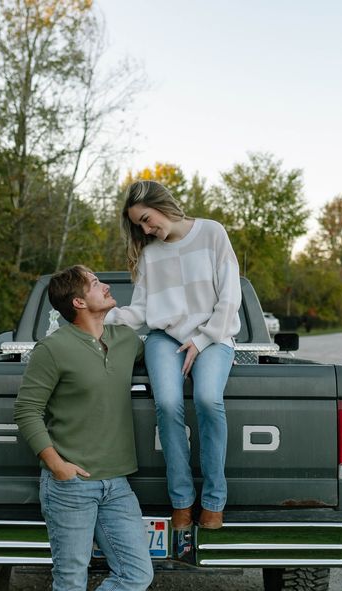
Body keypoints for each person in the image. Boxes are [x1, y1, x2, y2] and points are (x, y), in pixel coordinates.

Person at [106, 180, 241, 531]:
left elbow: (230, 296)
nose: (148, 230)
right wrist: (98, 317)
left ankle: (213, 500)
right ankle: (182, 500)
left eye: (148, 220)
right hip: (164, 339)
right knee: (167, 404)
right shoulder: (151, 254)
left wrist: (203, 338)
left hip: (214, 335)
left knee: (209, 399)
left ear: (162, 205)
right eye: (140, 226)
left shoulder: (212, 233)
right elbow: (140, 311)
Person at [14, 265, 154, 591]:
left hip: (117, 485)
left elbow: (163, 352)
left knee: (137, 575)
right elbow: (27, 409)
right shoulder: (53, 349)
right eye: (95, 283)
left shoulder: (126, 340)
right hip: (70, 484)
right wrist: (57, 465)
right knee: (70, 581)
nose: (105, 286)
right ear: (78, 302)